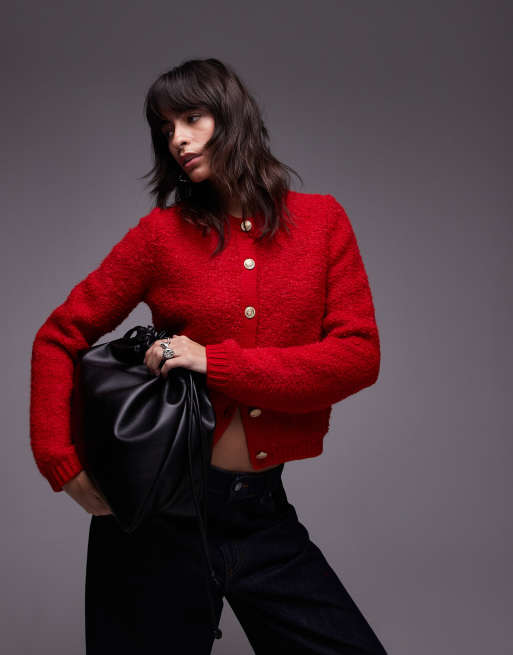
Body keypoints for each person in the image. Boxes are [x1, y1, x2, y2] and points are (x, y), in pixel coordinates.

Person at [29, 57, 389, 654]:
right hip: (159, 519)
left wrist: (214, 361)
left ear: (232, 115)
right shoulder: (160, 236)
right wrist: (59, 461)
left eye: (192, 118)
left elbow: (358, 357)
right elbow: (59, 334)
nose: (177, 139)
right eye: (165, 128)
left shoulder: (322, 222)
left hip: (262, 515)